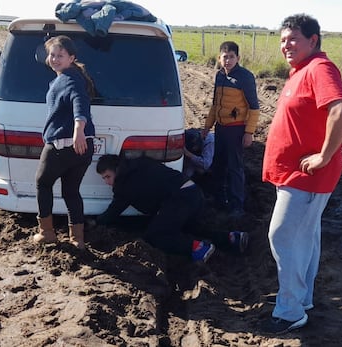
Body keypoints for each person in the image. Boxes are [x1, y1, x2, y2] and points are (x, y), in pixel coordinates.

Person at [260, 14, 342, 334]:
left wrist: (324, 155)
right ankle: (302, 298)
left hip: (306, 177)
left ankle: (289, 311)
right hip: (292, 174)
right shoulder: (300, 71)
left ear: (313, 41)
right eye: (283, 39)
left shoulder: (320, 69)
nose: (286, 45)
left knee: (283, 236)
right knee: (306, 238)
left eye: (293, 39)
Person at [94, 154, 248, 263]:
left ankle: (196, 248)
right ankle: (232, 238)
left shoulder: (124, 185)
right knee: (190, 227)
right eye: (103, 178)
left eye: (107, 176)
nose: (107, 182)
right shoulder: (139, 162)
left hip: (179, 198)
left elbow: (113, 212)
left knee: (155, 235)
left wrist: (96, 222)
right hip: (193, 192)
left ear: (116, 169)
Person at [32, 35, 96, 250]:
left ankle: (46, 233)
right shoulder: (72, 76)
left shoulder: (69, 79)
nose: (55, 59)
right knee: (71, 190)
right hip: (82, 147)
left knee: (43, 183)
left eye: (60, 55)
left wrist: (79, 130)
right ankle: (77, 239)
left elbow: (80, 103)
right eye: (52, 55)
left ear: (72, 58)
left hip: (64, 144)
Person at [202, 41, 260, 219]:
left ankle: (237, 206)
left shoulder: (245, 77)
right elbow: (215, 105)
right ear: (219, 59)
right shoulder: (219, 76)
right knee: (218, 165)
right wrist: (207, 127)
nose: (228, 61)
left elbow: (254, 108)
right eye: (225, 57)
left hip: (236, 130)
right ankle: (218, 199)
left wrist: (249, 132)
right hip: (221, 128)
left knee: (235, 167)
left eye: (231, 57)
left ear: (238, 58)